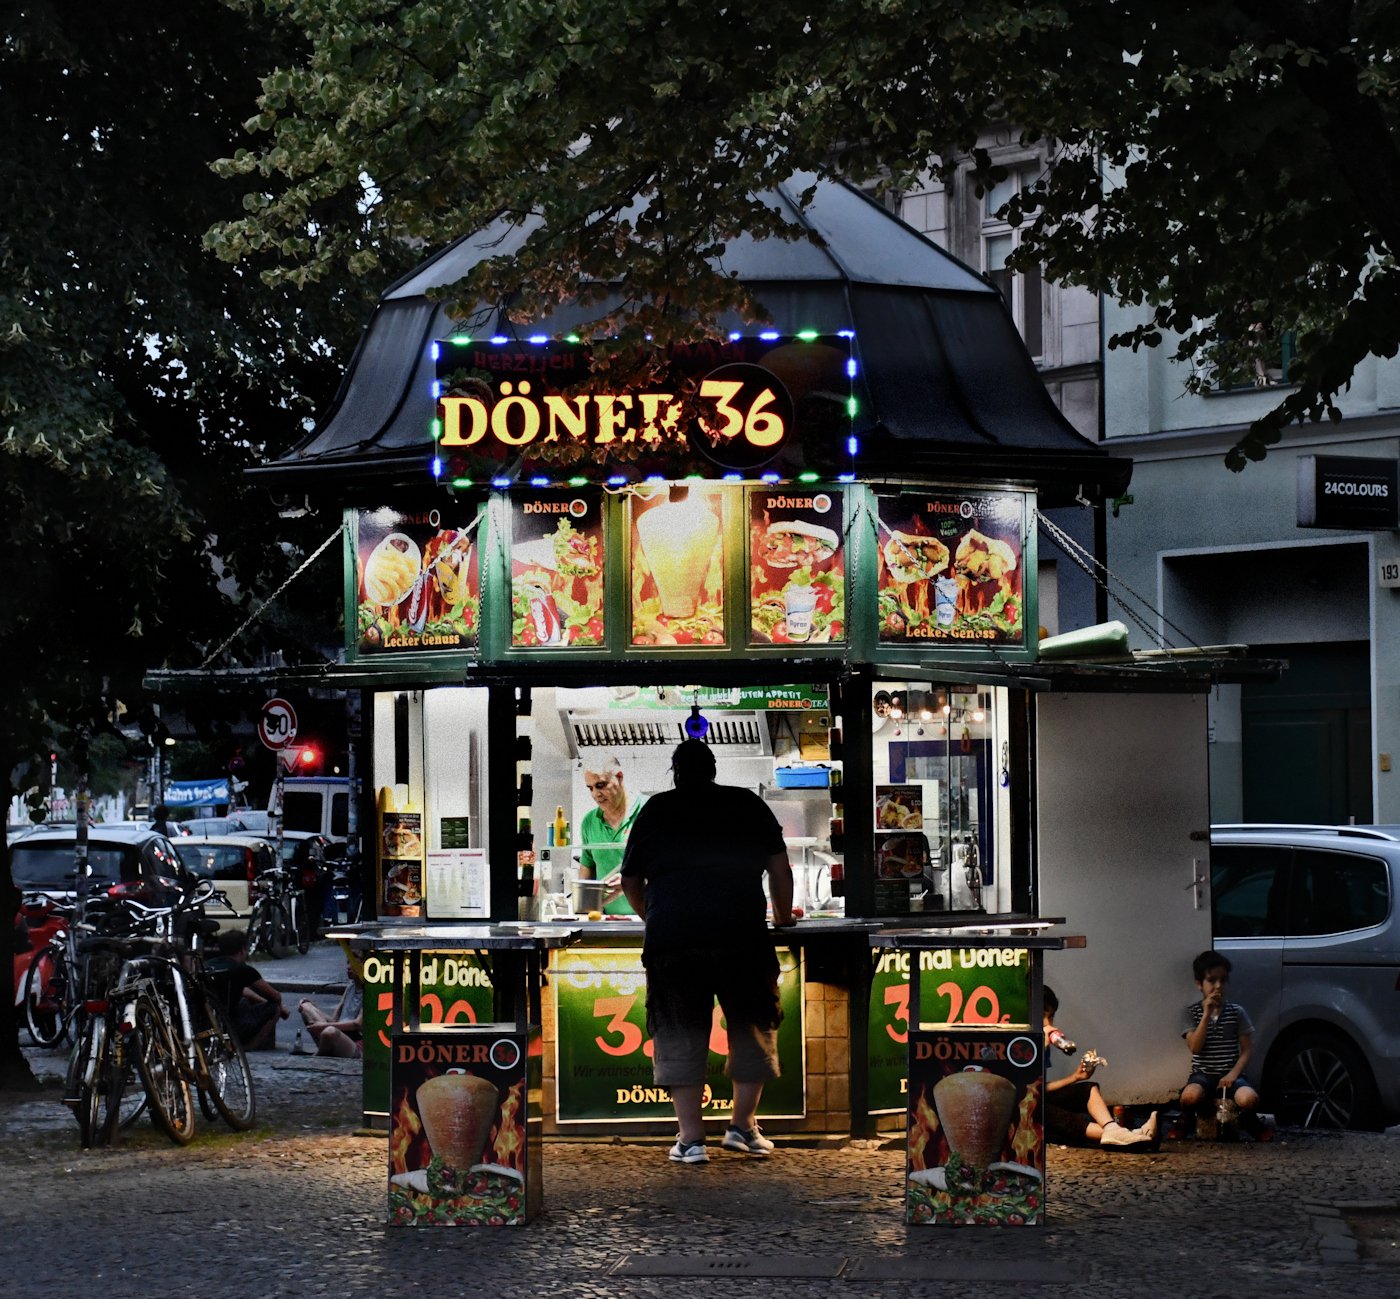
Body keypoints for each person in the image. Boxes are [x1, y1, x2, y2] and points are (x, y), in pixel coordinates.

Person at [620, 739, 796, 1164]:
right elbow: (780, 869)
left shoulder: (657, 809)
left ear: (676, 772)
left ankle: (691, 1139)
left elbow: (629, 880)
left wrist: (656, 917)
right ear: (714, 769)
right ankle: (742, 1128)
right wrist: (784, 918)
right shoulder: (746, 804)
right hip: (742, 936)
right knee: (751, 1029)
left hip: (674, 942)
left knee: (680, 1032)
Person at [1042, 986, 1158, 1150]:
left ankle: (1113, 1129)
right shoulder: (1022, 1044)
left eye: (1051, 1017)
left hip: (1040, 1098)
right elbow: (1030, 1092)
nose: (1048, 1023)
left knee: (1087, 1089)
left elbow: (1042, 1087)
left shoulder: (1044, 1044)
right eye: (1042, 1015)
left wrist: (1075, 1077)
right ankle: (1134, 1134)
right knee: (1041, 1108)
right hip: (1025, 1111)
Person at [1181, 949, 1274, 1140]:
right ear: (1199, 984)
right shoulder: (1192, 1013)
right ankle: (1186, 1119)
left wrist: (1233, 1074)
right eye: (1211, 980)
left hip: (1231, 1075)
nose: (1218, 986)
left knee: (1249, 1098)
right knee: (1189, 1096)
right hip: (1203, 1074)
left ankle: (1250, 1121)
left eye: (1223, 980)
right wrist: (1206, 1015)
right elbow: (1195, 1047)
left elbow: (1247, 1050)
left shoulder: (1236, 1012)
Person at [578, 754, 647, 914]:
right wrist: (585, 911)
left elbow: (666, 870)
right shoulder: (589, 821)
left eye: (600, 785)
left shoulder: (648, 811)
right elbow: (587, 869)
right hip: (606, 922)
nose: (595, 794)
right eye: (590, 788)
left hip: (647, 920)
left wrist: (630, 882)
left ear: (620, 777)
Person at [206, 928, 290, 1050]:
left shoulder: (208, 964)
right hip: (229, 1022)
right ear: (242, 949)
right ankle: (249, 1046)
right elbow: (275, 996)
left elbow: (246, 992)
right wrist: (280, 1008)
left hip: (209, 1020)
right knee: (274, 1008)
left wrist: (260, 1000)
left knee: (244, 1001)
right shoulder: (243, 969)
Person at [298, 959, 363, 1058]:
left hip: (355, 1043)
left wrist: (322, 1026)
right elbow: (334, 1019)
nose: (348, 967)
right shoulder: (350, 987)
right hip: (339, 1032)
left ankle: (317, 1056)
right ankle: (324, 1050)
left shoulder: (371, 990)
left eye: (353, 962)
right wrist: (313, 1006)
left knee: (330, 1032)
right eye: (347, 962)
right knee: (306, 1007)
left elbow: (357, 1024)